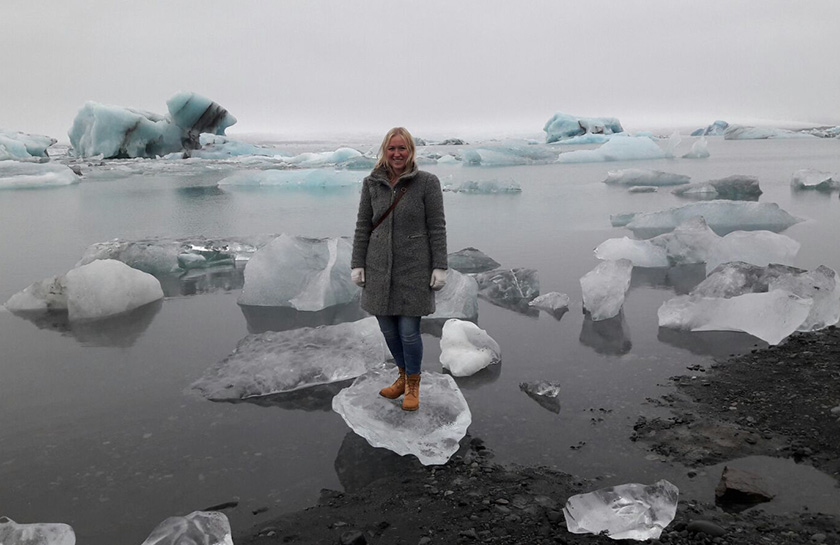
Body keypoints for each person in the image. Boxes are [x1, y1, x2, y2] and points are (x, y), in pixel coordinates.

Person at [351, 127, 448, 411]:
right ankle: (403, 377)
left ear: (410, 151)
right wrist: (358, 263)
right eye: (392, 148)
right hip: (378, 267)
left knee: (408, 331)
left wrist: (440, 266)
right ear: (385, 151)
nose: (397, 154)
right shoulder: (371, 183)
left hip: (414, 268)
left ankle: (413, 384)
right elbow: (363, 226)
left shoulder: (427, 183)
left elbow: (437, 227)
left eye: (402, 148)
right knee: (388, 331)